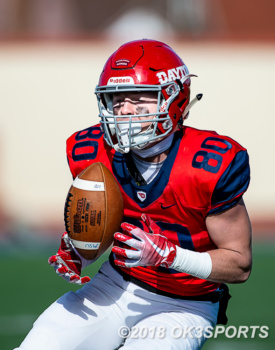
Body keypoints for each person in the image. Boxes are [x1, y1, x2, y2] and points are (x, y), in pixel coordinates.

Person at [15, 39, 252, 350]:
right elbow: (106, 225)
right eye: (116, 98)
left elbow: (239, 264)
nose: (123, 108)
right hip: (115, 286)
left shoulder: (209, 163)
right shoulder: (90, 150)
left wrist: (171, 256)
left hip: (186, 305)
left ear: (174, 99)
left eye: (138, 96)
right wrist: (80, 251)